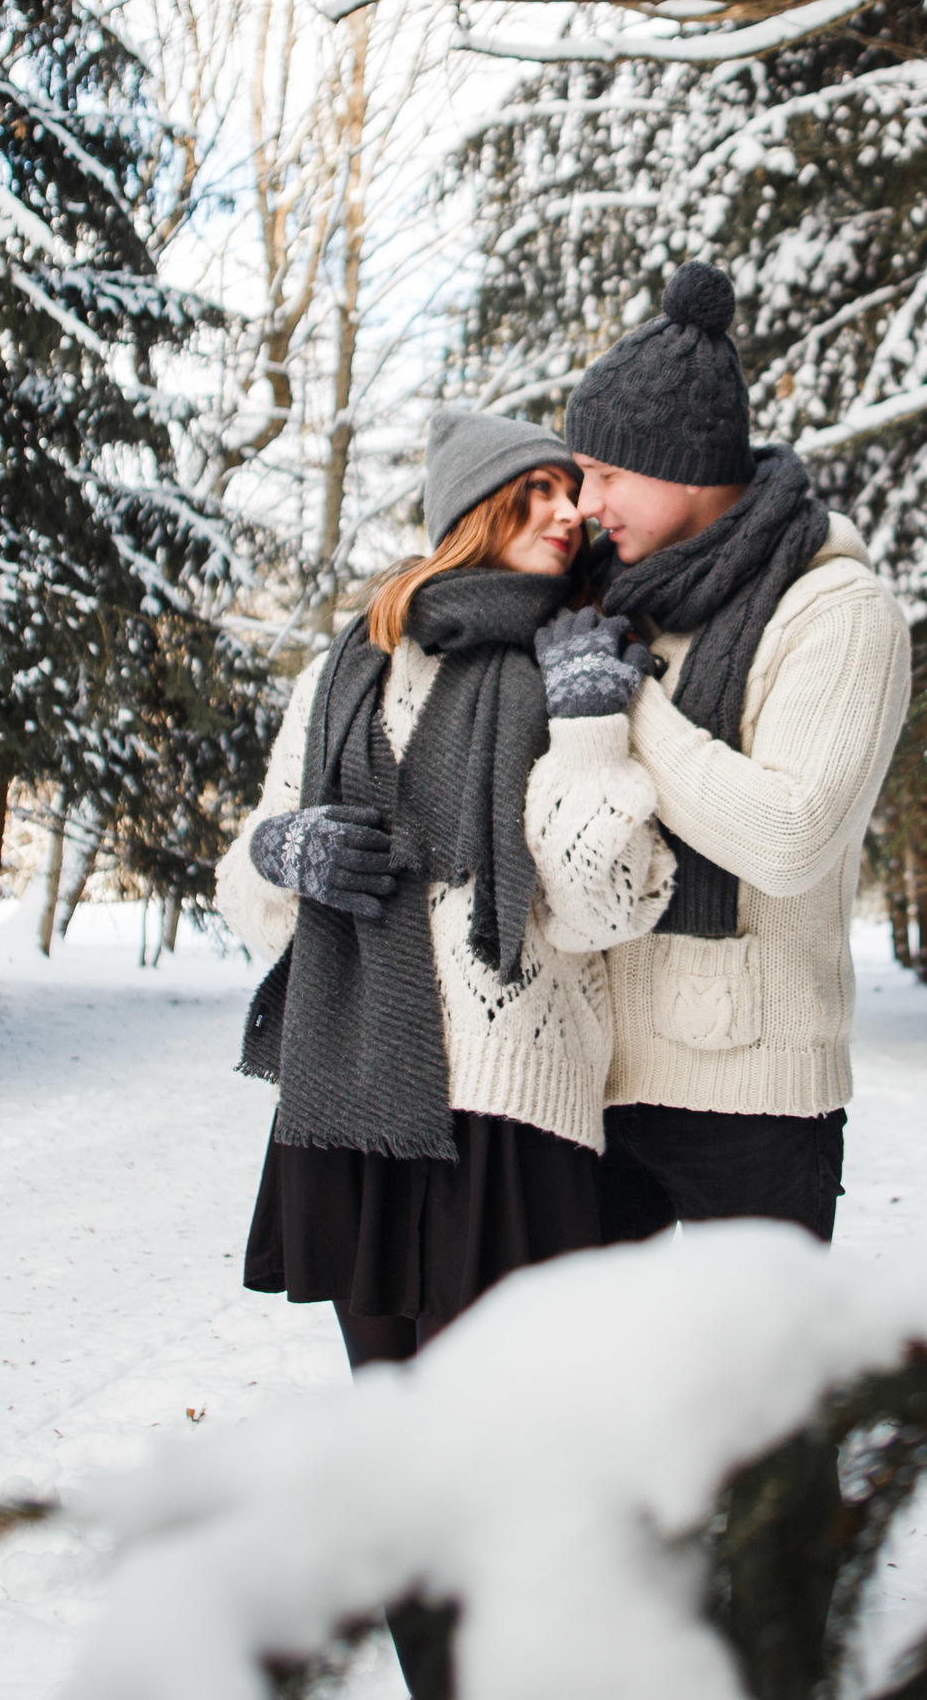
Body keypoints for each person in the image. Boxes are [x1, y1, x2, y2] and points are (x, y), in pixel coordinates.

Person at [214, 410, 669, 1698]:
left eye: (573, 498)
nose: (567, 514)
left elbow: (609, 907)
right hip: (354, 1098)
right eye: (537, 493)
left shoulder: (586, 659)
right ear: (472, 509)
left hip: (511, 1116)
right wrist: (280, 854)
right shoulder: (342, 672)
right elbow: (244, 876)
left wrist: (587, 731)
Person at [563, 259, 913, 1255]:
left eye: (607, 474)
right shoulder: (602, 600)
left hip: (752, 1098)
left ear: (682, 465)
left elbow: (790, 834)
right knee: (586, 1394)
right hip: (585, 1077)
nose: (586, 503)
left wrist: (623, 700)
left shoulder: (837, 613)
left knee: (755, 1406)